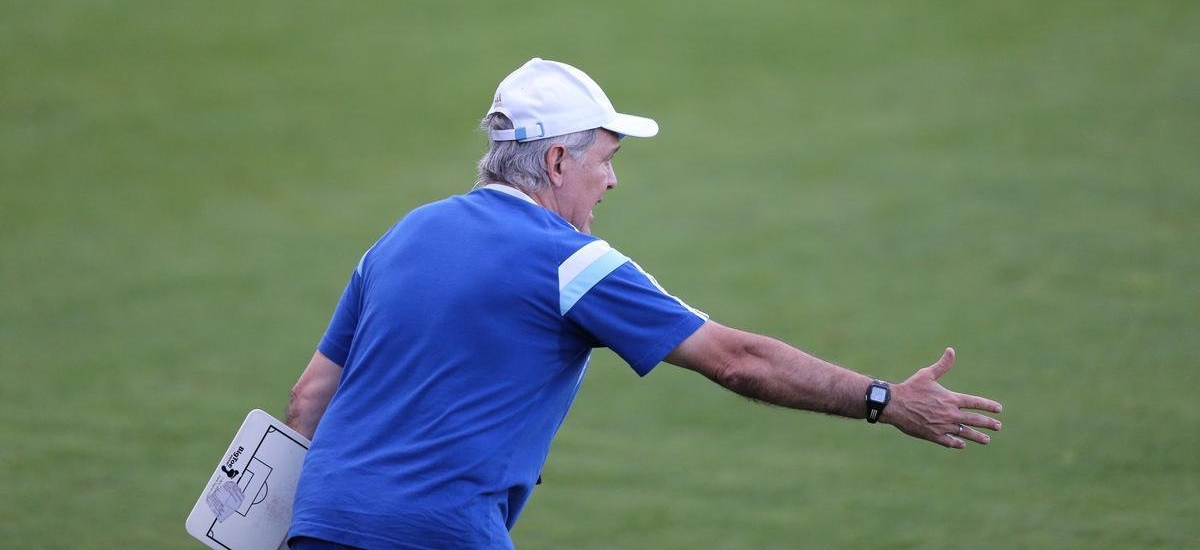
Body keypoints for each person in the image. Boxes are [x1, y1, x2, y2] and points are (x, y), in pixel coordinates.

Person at [285, 58, 1003, 550]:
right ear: (560, 162)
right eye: (606, 160)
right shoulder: (568, 262)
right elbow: (736, 360)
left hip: (316, 524)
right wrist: (883, 399)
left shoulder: (403, 236)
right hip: (439, 536)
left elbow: (309, 398)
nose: (612, 183)